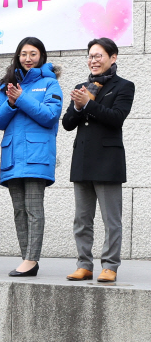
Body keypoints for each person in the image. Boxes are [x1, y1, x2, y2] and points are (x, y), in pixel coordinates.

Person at [62, 38, 135, 284]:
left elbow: (116, 118)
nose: (93, 60)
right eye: (90, 56)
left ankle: (110, 266)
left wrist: (89, 104)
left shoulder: (124, 86)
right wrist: (78, 105)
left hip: (108, 161)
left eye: (98, 56)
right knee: (82, 219)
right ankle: (84, 265)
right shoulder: (82, 86)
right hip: (82, 159)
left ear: (113, 58)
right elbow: (67, 124)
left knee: (111, 220)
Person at [0, 37, 62, 277]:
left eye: (33, 54)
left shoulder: (50, 83)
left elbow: (50, 116)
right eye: (23, 54)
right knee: (19, 211)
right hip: (12, 156)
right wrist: (10, 103)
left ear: (41, 56)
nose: (28, 58)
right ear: (17, 56)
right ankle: (26, 259)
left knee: (33, 209)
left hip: (37, 155)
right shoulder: (7, 84)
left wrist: (21, 99)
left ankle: (31, 259)